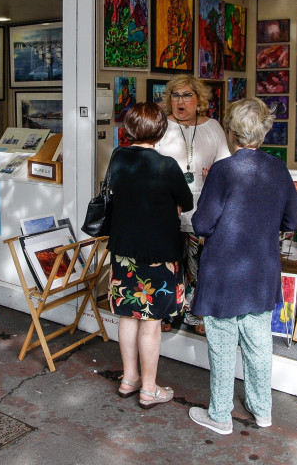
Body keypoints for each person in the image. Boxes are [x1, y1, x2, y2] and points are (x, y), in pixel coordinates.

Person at [187, 98, 297, 435]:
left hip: (223, 271)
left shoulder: (224, 170)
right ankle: (262, 410)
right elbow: (295, 220)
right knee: (259, 344)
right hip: (261, 270)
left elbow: (202, 224)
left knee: (223, 347)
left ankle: (220, 416)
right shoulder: (277, 168)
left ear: (231, 131)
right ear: (264, 133)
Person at [107, 102, 193, 409]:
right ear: (161, 130)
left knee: (128, 315)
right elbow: (187, 201)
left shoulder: (117, 158)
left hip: (124, 251)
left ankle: (129, 379)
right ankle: (149, 388)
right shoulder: (165, 165)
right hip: (158, 252)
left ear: (129, 129)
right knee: (151, 321)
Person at [154, 74, 230, 333]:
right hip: (168, 208)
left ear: (199, 99)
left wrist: (215, 174)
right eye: (175, 95)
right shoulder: (160, 126)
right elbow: (150, 164)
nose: (180, 101)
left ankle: (196, 315)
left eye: (187, 95)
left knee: (200, 264)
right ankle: (166, 313)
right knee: (169, 263)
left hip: (203, 207)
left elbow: (227, 165)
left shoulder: (214, 127)